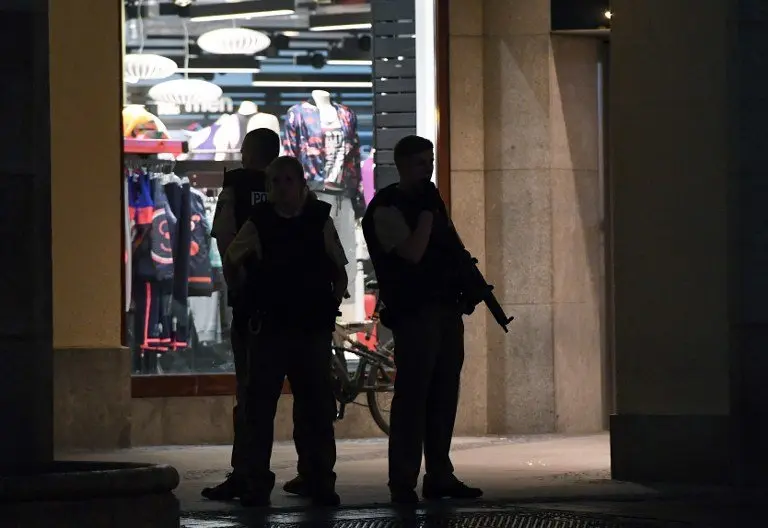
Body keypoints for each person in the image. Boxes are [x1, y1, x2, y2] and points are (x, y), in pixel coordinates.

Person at [361, 136, 483, 504]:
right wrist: (429, 214)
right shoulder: (387, 208)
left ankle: (440, 475)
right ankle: (402, 482)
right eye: (418, 164)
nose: (426, 170)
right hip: (414, 314)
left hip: (444, 310)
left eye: (429, 162)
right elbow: (413, 253)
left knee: (444, 395)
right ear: (400, 166)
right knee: (413, 399)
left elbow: (451, 248)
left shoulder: (429, 203)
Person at [223, 156, 346, 507]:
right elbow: (232, 261)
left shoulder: (319, 218)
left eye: (288, 180)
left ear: (301, 183)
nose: (281, 188)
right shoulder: (258, 222)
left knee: (317, 409)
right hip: (271, 328)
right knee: (259, 410)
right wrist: (245, 297)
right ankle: (255, 483)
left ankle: (318, 478)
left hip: (310, 329)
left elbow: (338, 268)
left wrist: (330, 305)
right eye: (275, 182)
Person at [203, 129, 311, 500]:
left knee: (252, 398)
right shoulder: (300, 194)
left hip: (256, 311)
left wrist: (239, 284)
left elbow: (224, 240)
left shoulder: (235, 189)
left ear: (248, 152)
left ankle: (249, 475)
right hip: (302, 314)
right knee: (309, 397)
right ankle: (313, 475)